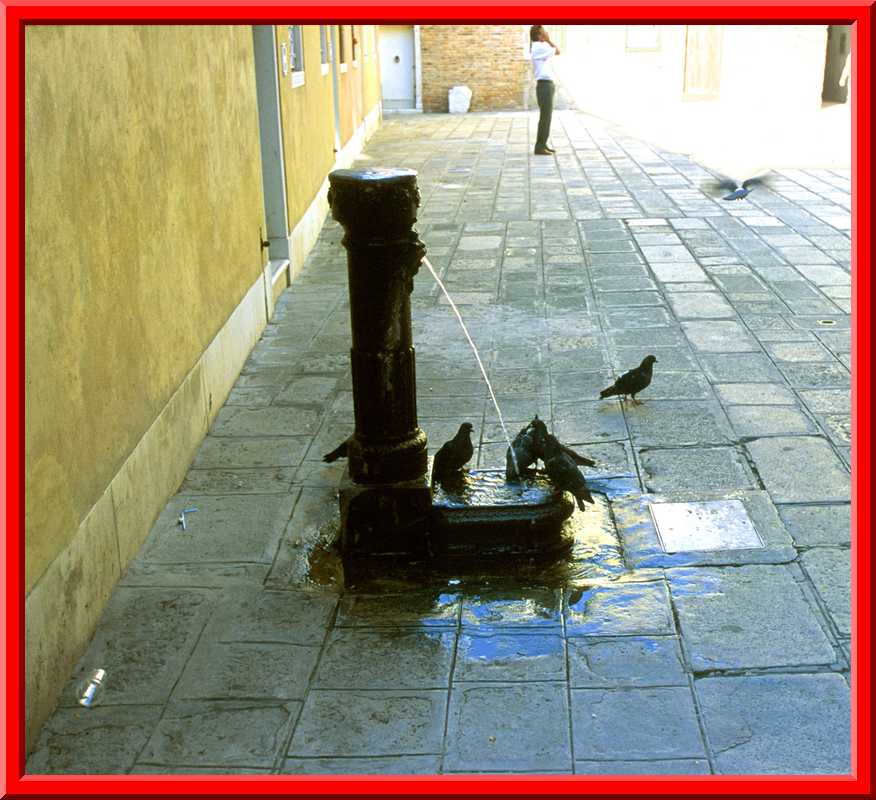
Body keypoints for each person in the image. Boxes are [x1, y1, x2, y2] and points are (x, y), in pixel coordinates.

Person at [530, 25, 560, 155]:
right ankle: (539, 147)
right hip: (544, 85)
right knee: (545, 117)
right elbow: (557, 50)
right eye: (544, 32)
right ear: (538, 35)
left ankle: (543, 144)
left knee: (546, 117)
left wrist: (547, 40)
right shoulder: (539, 46)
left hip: (546, 85)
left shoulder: (540, 47)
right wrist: (548, 40)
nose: (546, 33)